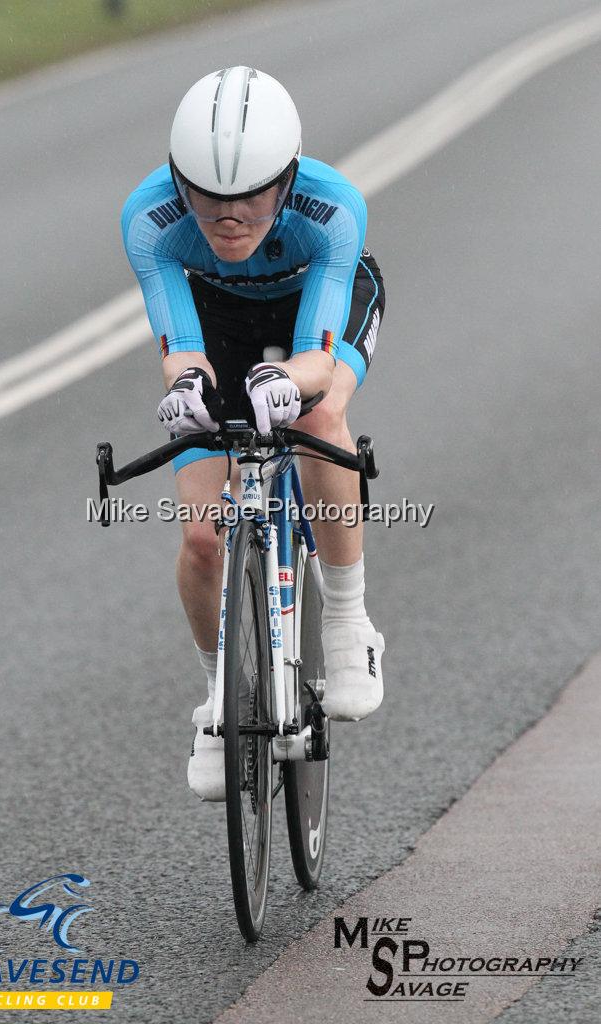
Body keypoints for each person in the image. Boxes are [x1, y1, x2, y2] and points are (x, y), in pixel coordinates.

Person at [121, 66, 385, 801]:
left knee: (317, 412)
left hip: (314, 309)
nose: (228, 215)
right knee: (203, 537)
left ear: (289, 177)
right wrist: (187, 389)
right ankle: (217, 702)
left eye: (252, 195)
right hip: (218, 320)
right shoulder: (149, 218)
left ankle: (347, 621)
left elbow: (315, 357)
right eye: (205, 196)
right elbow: (182, 346)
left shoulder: (331, 208)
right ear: (178, 181)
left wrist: (289, 384)